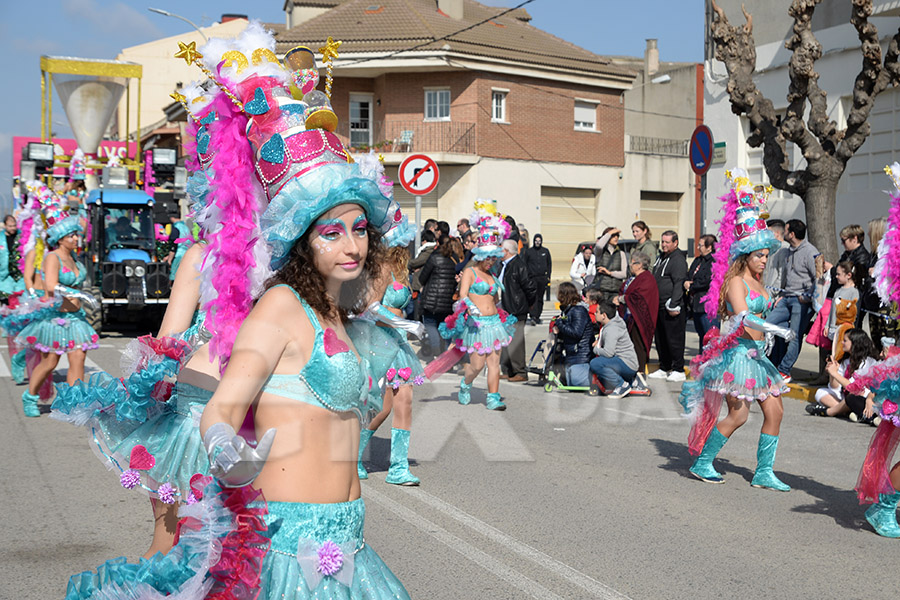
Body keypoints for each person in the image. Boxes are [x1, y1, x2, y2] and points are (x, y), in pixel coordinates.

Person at [61, 25, 409, 598]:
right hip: (286, 546)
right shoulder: (279, 304)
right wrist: (228, 452)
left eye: (359, 230)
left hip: (347, 542)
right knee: (168, 539)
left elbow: (357, 412)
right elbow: (220, 411)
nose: (352, 244)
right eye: (332, 232)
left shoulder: (342, 315)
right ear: (302, 239)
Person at [679, 168, 794, 491]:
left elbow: (766, 307)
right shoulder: (734, 282)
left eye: (766, 256)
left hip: (759, 357)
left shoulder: (758, 280)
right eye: (759, 256)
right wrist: (776, 329)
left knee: (776, 411)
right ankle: (703, 462)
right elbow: (743, 318)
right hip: (739, 356)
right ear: (745, 255)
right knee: (739, 415)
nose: (764, 261)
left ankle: (764, 472)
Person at [358, 213, 426, 487]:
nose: (409, 242)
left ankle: (398, 467)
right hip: (380, 341)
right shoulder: (381, 267)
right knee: (382, 408)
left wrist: (405, 328)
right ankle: (354, 455)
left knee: (404, 402)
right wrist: (407, 323)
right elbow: (371, 307)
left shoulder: (401, 269)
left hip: (398, 342)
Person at [16, 214, 99, 417]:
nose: (75, 239)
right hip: (55, 319)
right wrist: (81, 294)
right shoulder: (52, 257)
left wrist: (84, 296)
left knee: (78, 358)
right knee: (50, 361)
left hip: (76, 318)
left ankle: (74, 403)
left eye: (77, 236)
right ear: (60, 238)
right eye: (71, 236)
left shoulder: (75, 260)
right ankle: (30, 396)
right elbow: (52, 286)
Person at [439, 204, 516, 410]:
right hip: (477, 325)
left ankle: (493, 398)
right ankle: (466, 384)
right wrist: (470, 307)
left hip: (494, 323)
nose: (491, 261)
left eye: (494, 257)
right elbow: (462, 295)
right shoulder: (470, 273)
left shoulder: (492, 275)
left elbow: (495, 298)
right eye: (488, 257)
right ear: (480, 256)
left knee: (494, 364)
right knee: (477, 365)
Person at [766, 218, 819, 378]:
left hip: (801, 302)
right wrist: (781, 295)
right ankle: (768, 362)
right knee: (767, 325)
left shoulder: (810, 252)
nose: (784, 233)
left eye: (786, 230)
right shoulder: (788, 251)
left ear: (792, 234)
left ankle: (784, 370)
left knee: (794, 336)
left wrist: (809, 297)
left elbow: (819, 276)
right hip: (786, 298)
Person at [805, 328, 877, 420]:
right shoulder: (846, 362)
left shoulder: (867, 362)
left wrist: (835, 374)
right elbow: (835, 388)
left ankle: (829, 412)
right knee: (820, 392)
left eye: (845, 340)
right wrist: (832, 372)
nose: (842, 342)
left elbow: (854, 388)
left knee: (852, 397)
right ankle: (847, 412)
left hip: (862, 397)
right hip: (846, 398)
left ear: (855, 343)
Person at [614, 251, 657, 390]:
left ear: (639, 265)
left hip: (640, 320)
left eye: (632, 263)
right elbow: (625, 291)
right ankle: (629, 375)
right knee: (628, 348)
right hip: (628, 318)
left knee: (638, 348)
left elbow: (639, 297)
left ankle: (639, 378)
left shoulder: (647, 278)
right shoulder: (633, 278)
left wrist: (622, 299)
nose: (630, 266)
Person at [649, 230, 688, 382]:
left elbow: (679, 282)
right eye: (663, 241)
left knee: (674, 339)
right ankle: (665, 367)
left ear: (675, 243)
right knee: (661, 339)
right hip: (659, 305)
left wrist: (674, 304)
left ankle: (678, 368)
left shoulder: (677, 259)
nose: (664, 245)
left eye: (667, 242)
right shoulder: (662, 257)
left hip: (671, 306)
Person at [499, 238, 537, 381]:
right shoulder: (505, 265)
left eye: (501, 249)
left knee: (516, 341)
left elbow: (530, 288)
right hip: (505, 309)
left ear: (507, 251)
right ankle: (509, 370)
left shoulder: (519, 265)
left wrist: (527, 304)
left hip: (515, 309)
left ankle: (520, 371)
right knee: (505, 341)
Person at [861, 217, 900, 352]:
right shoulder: (873, 254)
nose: (868, 235)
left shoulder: (891, 254)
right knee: (877, 342)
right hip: (873, 306)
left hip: (886, 307)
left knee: (888, 345)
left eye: (870, 231)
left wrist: (878, 273)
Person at [419, 233, 460, 358]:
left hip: (431, 299)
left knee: (430, 324)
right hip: (447, 299)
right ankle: (447, 355)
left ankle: (436, 352)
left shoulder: (434, 258)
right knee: (444, 327)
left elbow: (422, 277)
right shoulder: (455, 260)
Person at [590, 301, 639, 398]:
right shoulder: (614, 322)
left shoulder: (611, 329)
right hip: (627, 362)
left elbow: (608, 353)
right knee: (602, 375)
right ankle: (631, 381)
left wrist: (595, 349)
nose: (595, 314)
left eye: (597, 312)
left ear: (604, 315)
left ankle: (622, 385)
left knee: (595, 363)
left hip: (626, 363)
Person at [553, 281, 592, 387]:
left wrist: (560, 323)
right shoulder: (569, 310)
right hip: (572, 356)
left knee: (577, 384)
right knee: (571, 384)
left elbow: (576, 333)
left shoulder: (578, 311)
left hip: (580, 356)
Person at [686, 234, 717, 350]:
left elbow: (707, 280)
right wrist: (687, 282)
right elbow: (690, 274)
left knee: (710, 336)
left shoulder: (714, 261)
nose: (698, 247)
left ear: (709, 247)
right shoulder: (698, 260)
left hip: (707, 305)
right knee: (701, 335)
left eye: (701, 245)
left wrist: (692, 285)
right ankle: (701, 361)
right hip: (696, 303)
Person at [590, 227, 627, 302]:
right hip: (602, 290)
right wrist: (610, 233)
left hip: (616, 291)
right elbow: (599, 245)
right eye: (613, 236)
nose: (616, 238)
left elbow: (624, 274)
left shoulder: (621, 253)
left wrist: (610, 273)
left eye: (617, 235)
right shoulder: (600, 252)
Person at [524, 232, 552, 324]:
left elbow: (549, 264)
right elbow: (525, 264)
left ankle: (537, 315)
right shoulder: (529, 252)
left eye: (539, 241)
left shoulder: (545, 251)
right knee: (533, 297)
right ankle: (533, 315)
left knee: (540, 298)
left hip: (542, 278)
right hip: (532, 278)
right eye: (536, 241)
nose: (537, 243)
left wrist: (548, 276)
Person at [0, 214, 23, 303]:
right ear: (5, 226)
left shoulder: (21, 236)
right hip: (4, 274)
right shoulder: (1, 238)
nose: (13, 228)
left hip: (20, 273)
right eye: (10, 226)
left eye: (14, 226)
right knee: (6, 299)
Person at [762, 218, 790, 292]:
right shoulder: (770, 249)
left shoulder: (784, 249)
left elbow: (782, 277)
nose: (765, 236)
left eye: (767, 233)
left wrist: (771, 293)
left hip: (775, 297)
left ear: (777, 233)